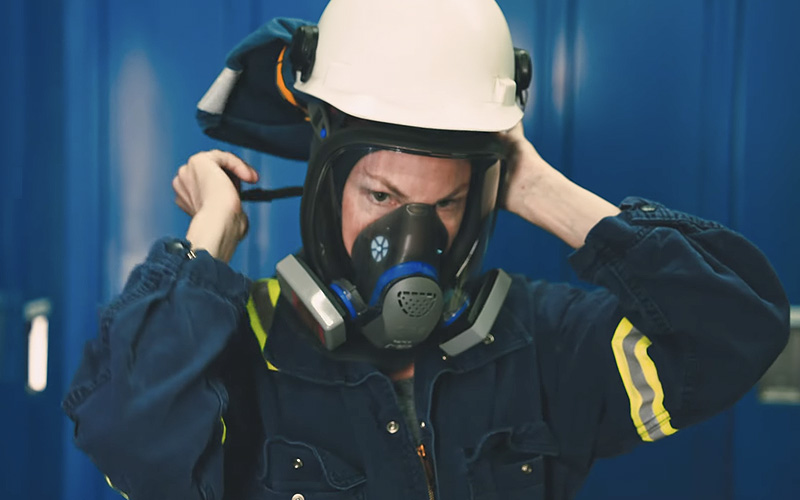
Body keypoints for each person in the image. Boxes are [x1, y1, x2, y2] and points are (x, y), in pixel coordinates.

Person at [63, 1, 789, 499]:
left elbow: (739, 332)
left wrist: (542, 191)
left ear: (481, 198)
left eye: (444, 204)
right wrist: (206, 249)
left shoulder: (542, 345)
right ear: (325, 184)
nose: (410, 239)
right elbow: (131, 446)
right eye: (381, 199)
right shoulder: (244, 349)